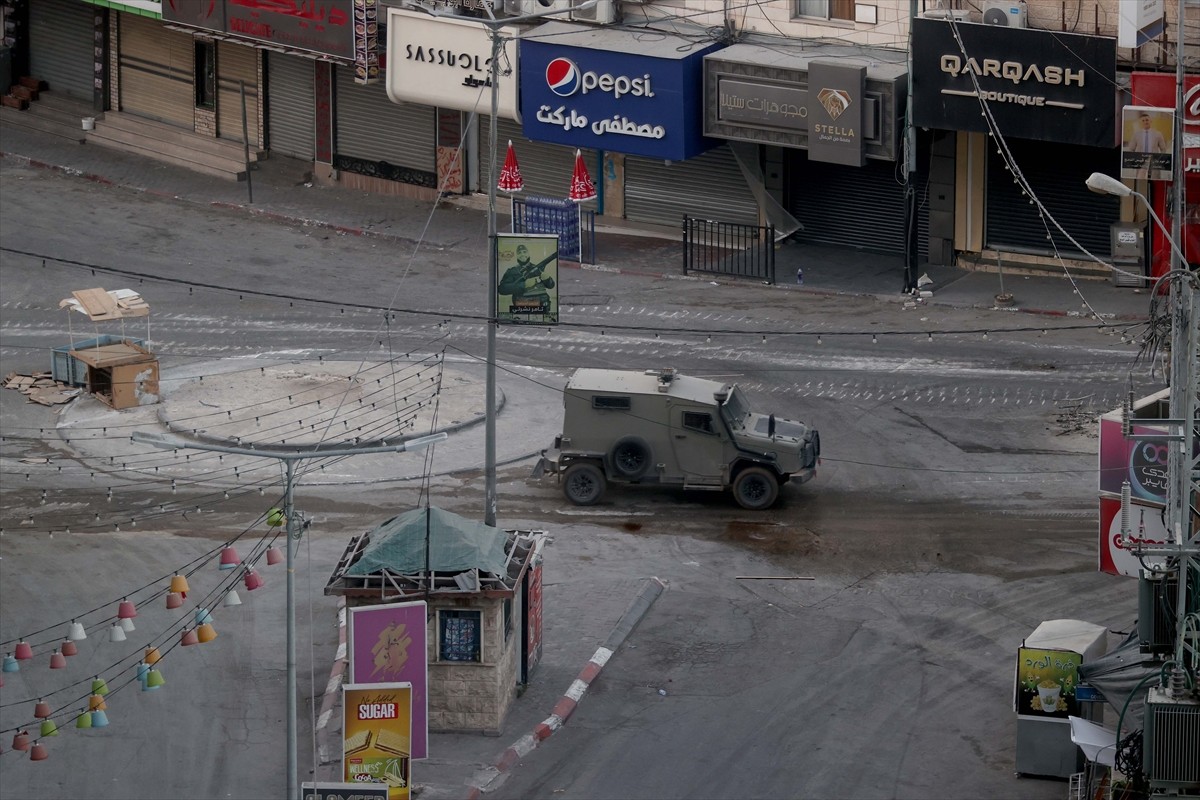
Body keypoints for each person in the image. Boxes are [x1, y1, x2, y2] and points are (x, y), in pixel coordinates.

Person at [498, 243, 556, 316]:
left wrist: (547, 279)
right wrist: (524, 285)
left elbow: (551, 286)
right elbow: (502, 289)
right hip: (523, 306)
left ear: (528, 254)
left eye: (524, 252)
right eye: (519, 253)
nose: (522, 254)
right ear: (517, 256)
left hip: (542, 306)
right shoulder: (512, 271)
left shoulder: (537, 268)